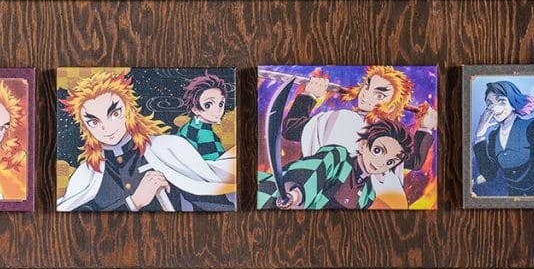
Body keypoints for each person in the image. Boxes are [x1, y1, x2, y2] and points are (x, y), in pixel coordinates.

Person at [57, 70, 236, 211]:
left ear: (129, 110)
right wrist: (134, 202)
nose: (106, 128)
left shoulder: (167, 149)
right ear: (86, 128)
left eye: (115, 113)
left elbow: (211, 201)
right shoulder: (86, 175)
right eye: (94, 122)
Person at [279, 67, 437, 207]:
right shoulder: (346, 120)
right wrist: (309, 95)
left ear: (392, 106)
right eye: (367, 87)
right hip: (320, 193)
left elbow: (412, 161)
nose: (366, 95)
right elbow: (291, 130)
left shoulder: (357, 124)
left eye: (379, 95)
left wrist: (310, 95)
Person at [262, 119, 413, 210]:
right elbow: (315, 169)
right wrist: (295, 194)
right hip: (273, 201)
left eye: (390, 162)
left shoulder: (368, 194)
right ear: (363, 145)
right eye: (378, 150)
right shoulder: (338, 156)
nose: (380, 163)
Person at [176, 73, 229, 161]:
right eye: (208, 105)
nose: (217, 110)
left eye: (221, 104)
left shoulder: (189, 125)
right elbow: (217, 161)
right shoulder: (204, 132)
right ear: (195, 109)